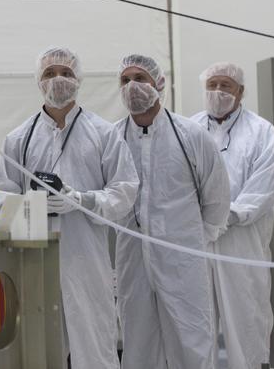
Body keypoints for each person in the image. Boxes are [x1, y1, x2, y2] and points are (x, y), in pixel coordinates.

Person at [0, 48, 138, 369]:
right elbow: (1, 191)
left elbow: (124, 191)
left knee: (95, 344)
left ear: (78, 80)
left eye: (66, 73)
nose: (58, 80)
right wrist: (32, 207)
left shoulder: (103, 133)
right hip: (36, 257)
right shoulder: (19, 138)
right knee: (38, 345)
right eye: (49, 74)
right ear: (38, 82)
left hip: (87, 258)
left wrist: (82, 200)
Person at [115, 53, 230, 369]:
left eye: (140, 79)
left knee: (191, 342)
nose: (132, 87)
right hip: (132, 260)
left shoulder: (190, 135)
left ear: (159, 84)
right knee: (137, 345)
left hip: (183, 261)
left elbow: (217, 198)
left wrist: (193, 241)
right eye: (125, 80)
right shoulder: (112, 139)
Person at [190, 62, 274, 369]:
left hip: (242, 244)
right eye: (212, 85)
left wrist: (229, 214)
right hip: (197, 242)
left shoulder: (261, 131)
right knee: (196, 322)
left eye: (226, 86)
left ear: (241, 92)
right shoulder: (188, 130)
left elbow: (266, 185)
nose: (217, 92)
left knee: (247, 321)